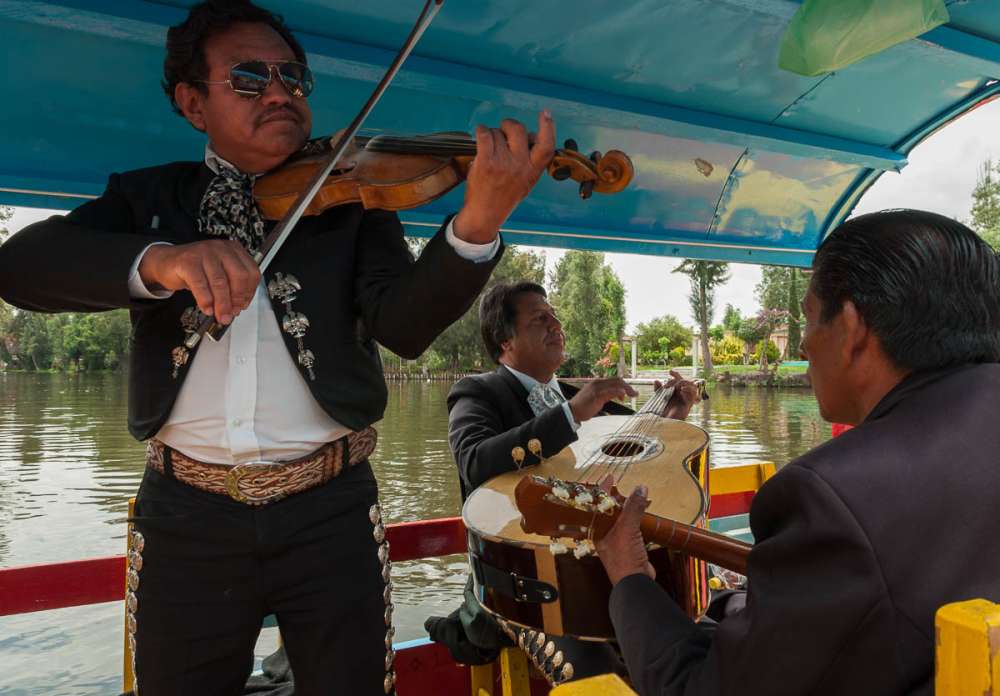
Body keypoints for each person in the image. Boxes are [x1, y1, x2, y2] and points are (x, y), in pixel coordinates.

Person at [0, 1, 556, 694]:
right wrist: (162, 262)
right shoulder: (150, 199)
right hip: (185, 515)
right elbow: (22, 266)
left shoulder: (353, 204)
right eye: (250, 78)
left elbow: (404, 327)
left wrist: (478, 221)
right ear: (193, 102)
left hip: (331, 509)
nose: (279, 92)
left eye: (293, 78)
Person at [596, 209, 1000, 696]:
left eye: (808, 316)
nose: (805, 344)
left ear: (851, 328)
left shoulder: (836, 496)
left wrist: (631, 576)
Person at [427, 280, 701, 683]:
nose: (556, 324)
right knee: (596, 673)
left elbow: (636, 452)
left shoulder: (584, 397)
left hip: (606, 568)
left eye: (554, 315)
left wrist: (672, 414)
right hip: (522, 583)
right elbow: (473, 461)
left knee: (682, 638)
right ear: (505, 340)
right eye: (540, 318)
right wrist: (570, 415)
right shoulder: (478, 393)